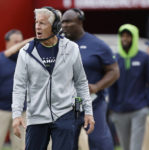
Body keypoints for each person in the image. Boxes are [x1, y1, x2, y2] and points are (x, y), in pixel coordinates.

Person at [12, 6, 95, 150]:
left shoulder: (71, 49)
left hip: (65, 115)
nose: (37, 26)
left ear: (55, 26)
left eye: (42, 23)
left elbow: (81, 82)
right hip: (36, 116)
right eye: (36, 22)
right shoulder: (26, 52)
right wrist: (17, 114)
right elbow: (19, 86)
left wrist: (87, 111)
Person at [61, 8, 120, 150]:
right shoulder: (57, 44)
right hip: (68, 104)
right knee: (65, 143)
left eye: (69, 22)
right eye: (63, 22)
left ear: (80, 21)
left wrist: (97, 86)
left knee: (99, 142)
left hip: (93, 102)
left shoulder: (97, 45)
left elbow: (114, 71)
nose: (65, 25)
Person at [109, 24, 149, 150]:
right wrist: (112, 107)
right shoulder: (115, 59)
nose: (125, 39)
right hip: (119, 111)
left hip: (139, 110)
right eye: (123, 36)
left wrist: (146, 104)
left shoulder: (144, 58)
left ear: (135, 37)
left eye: (128, 36)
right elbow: (111, 85)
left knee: (135, 147)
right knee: (125, 147)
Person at [0, 29, 32, 150]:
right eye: (16, 42)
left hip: (22, 111)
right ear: (7, 42)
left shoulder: (26, 60)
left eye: (21, 42)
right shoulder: (1, 59)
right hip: (2, 110)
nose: (20, 45)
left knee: (21, 146)